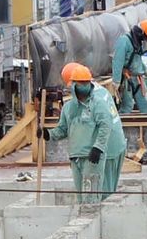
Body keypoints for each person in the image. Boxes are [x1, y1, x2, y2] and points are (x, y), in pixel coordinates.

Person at [47, 64, 127, 205]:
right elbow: (63, 129)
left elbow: (106, 124)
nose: (83, 86)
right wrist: (47, 134)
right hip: (81, 154)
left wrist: (98, 147)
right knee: (85, 198)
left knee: (96, 196)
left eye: (85, 82)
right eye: (80, 83)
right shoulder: (70, 107)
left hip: (103, 151)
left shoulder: (97, 101)